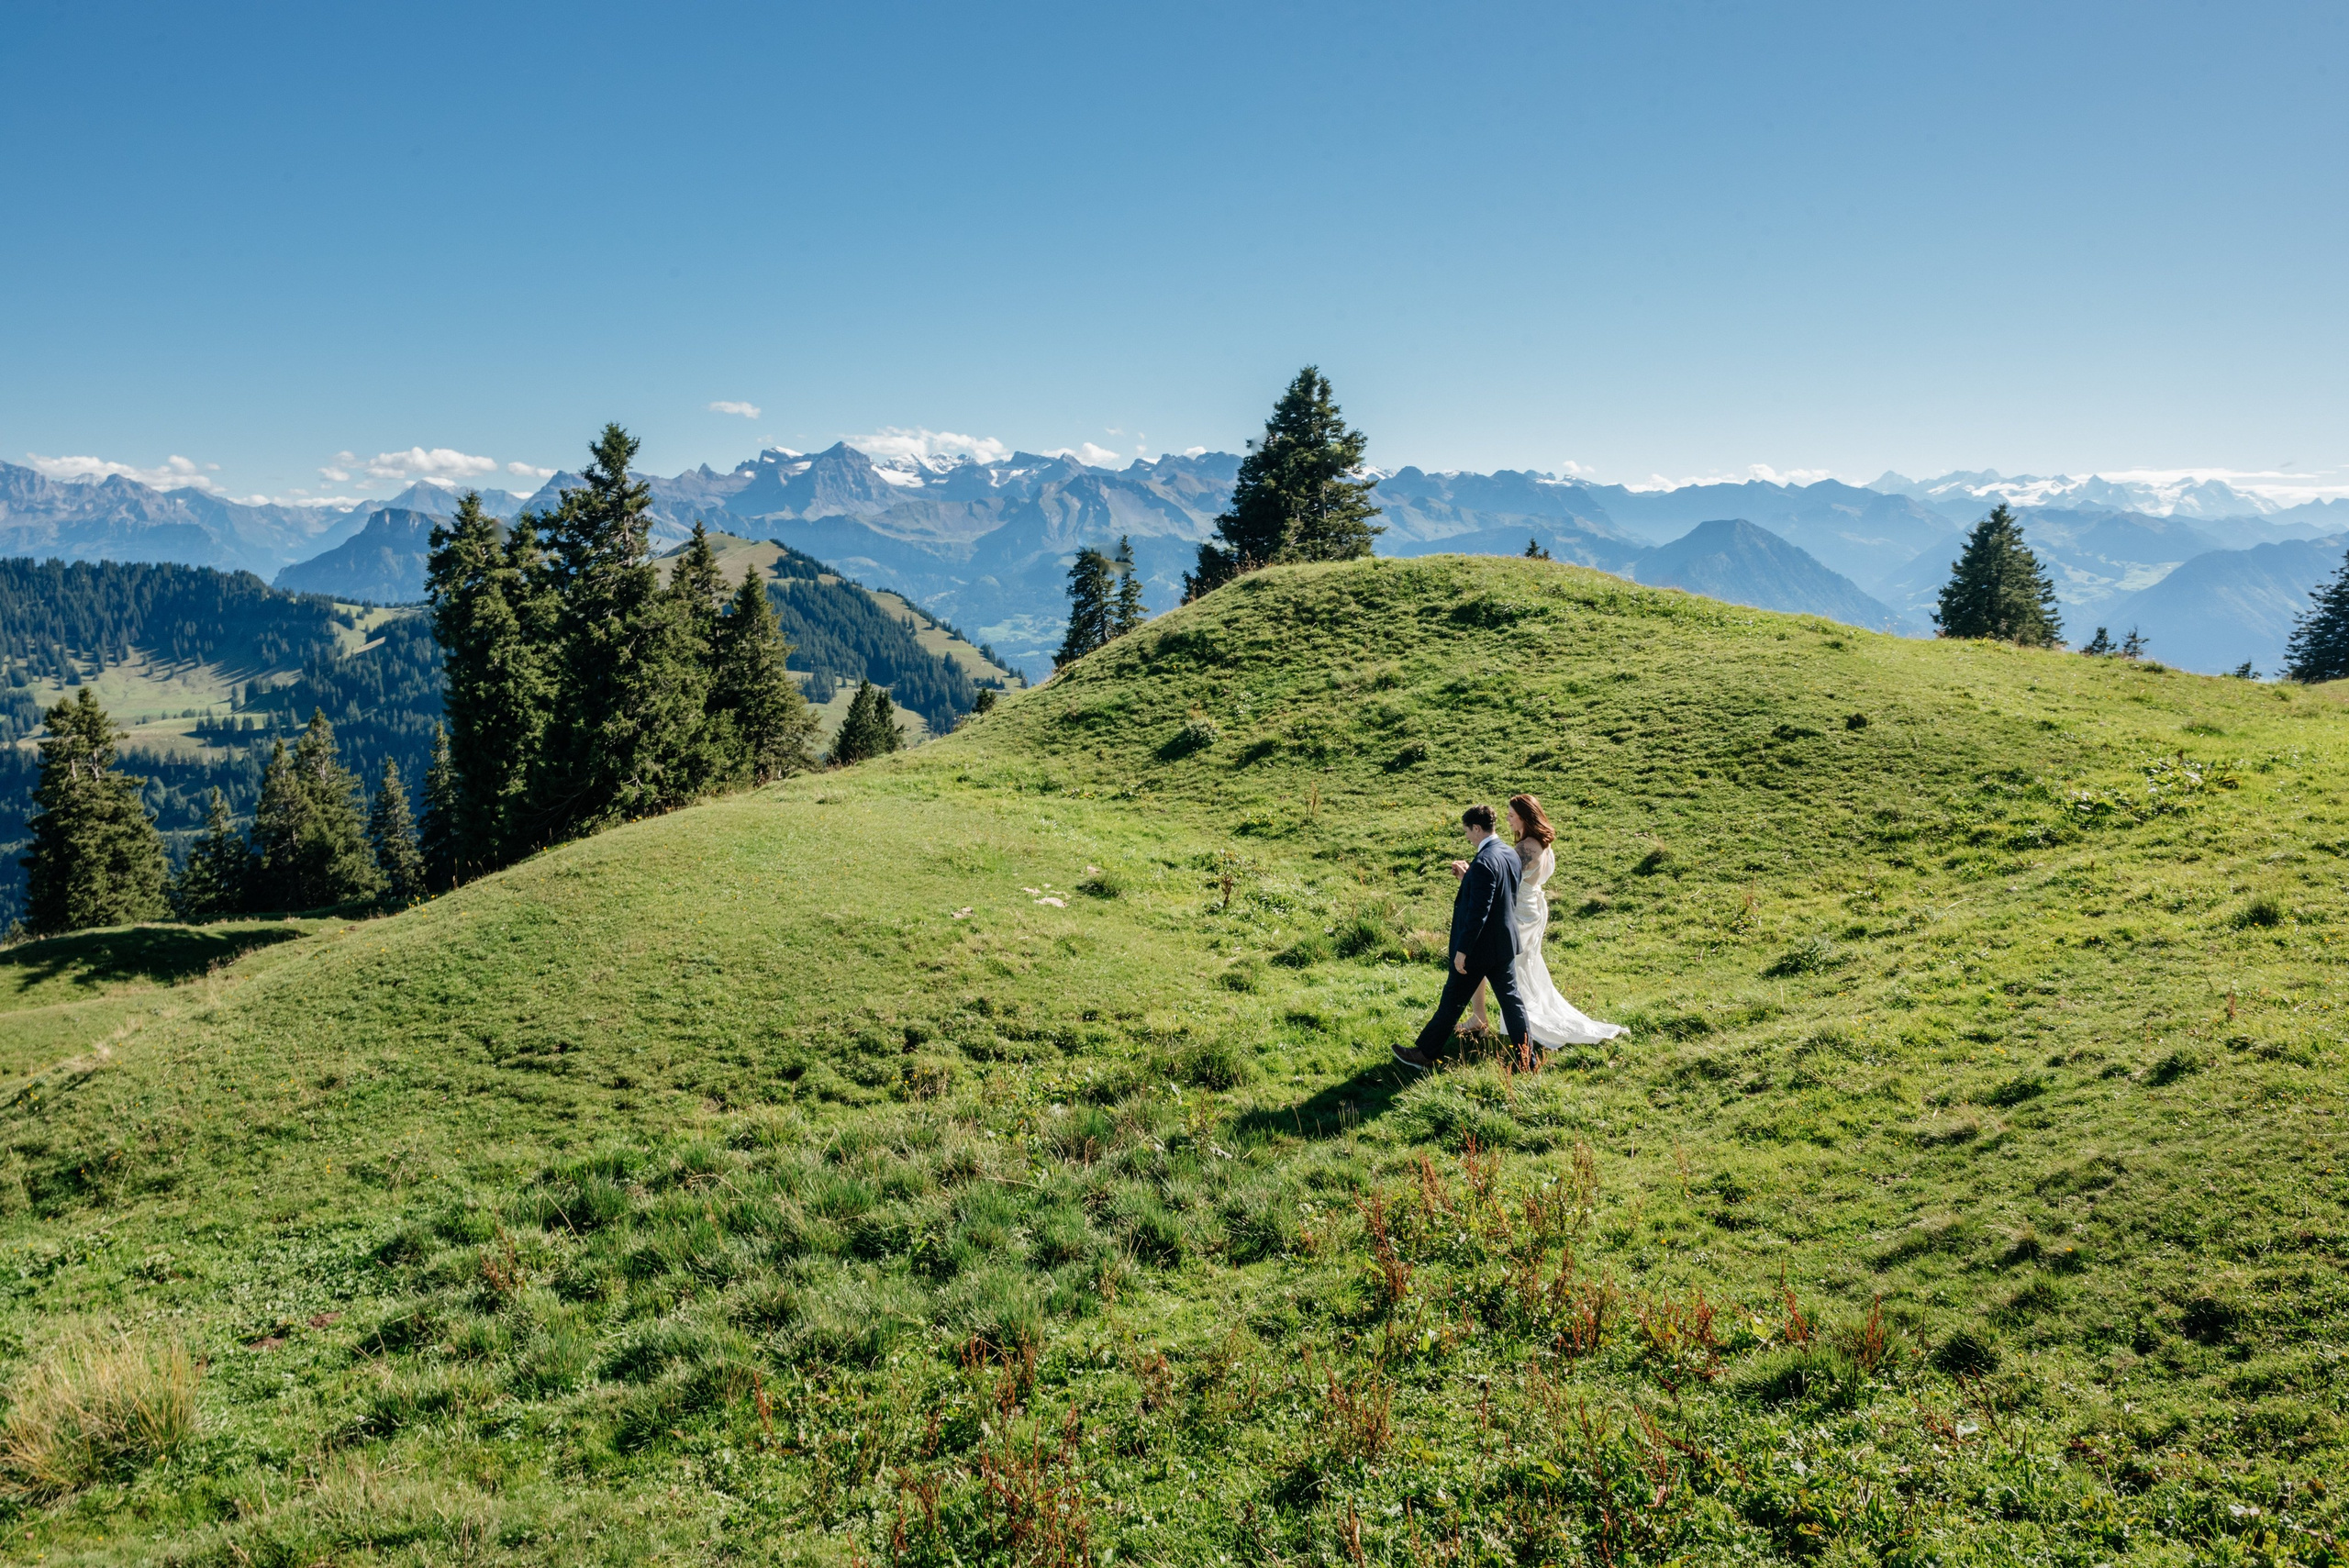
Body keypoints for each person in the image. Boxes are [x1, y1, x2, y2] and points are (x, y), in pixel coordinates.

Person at [1465, 793, 1626, 1050]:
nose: (1507, 820)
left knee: (1493, 964)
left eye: (1511, 816)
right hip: (1532, 909)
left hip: (1519, 913)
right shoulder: (1543, 844)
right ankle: (1484, 1017)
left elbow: (1502, 882)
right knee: (1520, 968)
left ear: (1525, 818)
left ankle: (1487, 1019)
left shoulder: (1527, 848)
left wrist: (1468, 878)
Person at [1394, 804, 1530, 1073]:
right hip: (1503, 944)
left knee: (1452, 1001)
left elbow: (1478, 912)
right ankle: (1527, 1059)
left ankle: (1424, 1054)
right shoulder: (1509, 854)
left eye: (1467, 831)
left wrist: (1462, 950)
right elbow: (1498, 897)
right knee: (1512, 1002)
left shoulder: (1484, 862)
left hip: (1478, 949)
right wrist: (1468, 880)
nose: (1467, 836)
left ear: (1477, 828)